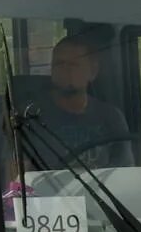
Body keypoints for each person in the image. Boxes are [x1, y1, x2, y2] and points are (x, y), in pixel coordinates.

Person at [31, 31, 130, 166]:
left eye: (73, 64)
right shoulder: (31, 118)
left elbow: (124, 172)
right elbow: (16, 181)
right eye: (59, 63)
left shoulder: (111, 118)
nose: (65, 69)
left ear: (93, 71)